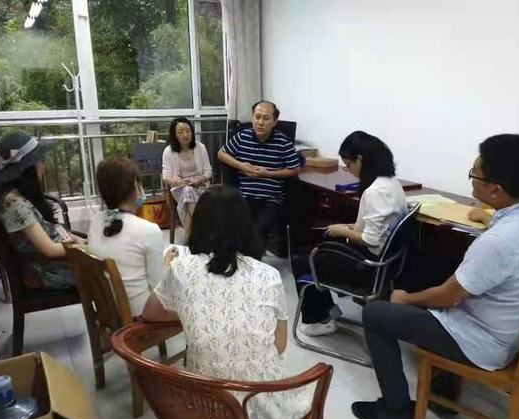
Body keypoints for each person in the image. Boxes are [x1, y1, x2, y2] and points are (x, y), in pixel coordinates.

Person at [351, 134, 519, 419]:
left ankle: (396, 409)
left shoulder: (498, 242)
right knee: (435, 271)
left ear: (495, 189)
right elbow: (515, 241)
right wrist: (489, 217)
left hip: (483, 343)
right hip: (518, 330)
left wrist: (405, 299)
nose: (471, 178)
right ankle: (442, 395)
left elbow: (448, 297)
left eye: (474, 173)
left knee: (376, 313)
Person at [143, 185, 312, 419]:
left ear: (198, 225)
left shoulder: (180, 268)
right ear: (245, 226)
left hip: (207, 405)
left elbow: (150, 313)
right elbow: (279, 344)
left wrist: (192, 310)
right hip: (266, 403)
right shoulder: (269, 275)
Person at [293, 131, 408, 337]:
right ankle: (327, 311)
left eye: (348, 165)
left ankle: (319, 320)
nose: (349, 170)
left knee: (302, 259)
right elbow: (376, 226)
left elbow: (372, 239)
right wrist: (347, 226)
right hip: (386, 265)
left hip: (368, 268)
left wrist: (341, 230)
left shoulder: (375, 192)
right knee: (312, 248)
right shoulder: (391, 183)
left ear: (360, 159)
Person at [0, 130, 84, 289]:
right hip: (49, 270)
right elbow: (50, 250)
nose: (43, 165)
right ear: (28, 168)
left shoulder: (15, 195)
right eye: (39, 160)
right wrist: (85, 248)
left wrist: (75, 239)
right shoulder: (16, 205)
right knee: (115, 266)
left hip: (53, 261)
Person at [88, 157, 165, 318]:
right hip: (141, 316)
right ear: (135, 186)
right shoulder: (149, 230)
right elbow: (159, 289)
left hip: (106, 312)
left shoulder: (96, 221)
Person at [218, 101, 301, 242]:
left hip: (271, 198)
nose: (260, 122)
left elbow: (294, 169)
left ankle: (251, 254)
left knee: (257, 233)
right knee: (232, 228)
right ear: (252, 118)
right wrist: (241, 165)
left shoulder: (283, 142)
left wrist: (268, 173)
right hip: (245, 195)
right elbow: (221, 153)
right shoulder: (242, 137)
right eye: (257, 117)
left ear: (275, 122)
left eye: (266, 118)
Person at [162, 117, 212, 236]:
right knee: (187, 191)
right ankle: (200, 232)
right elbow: (166, 177)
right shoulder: (169, 151)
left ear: (192, 132)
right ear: (174, 135)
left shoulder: (200, 147)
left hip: (200, 185)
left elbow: (208, 171)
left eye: (188, 131)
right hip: (179, 187)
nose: (185, 135)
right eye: (180, 132)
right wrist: (179, 182)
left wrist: (201, 179)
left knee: (190, 195)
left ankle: (190, 238)